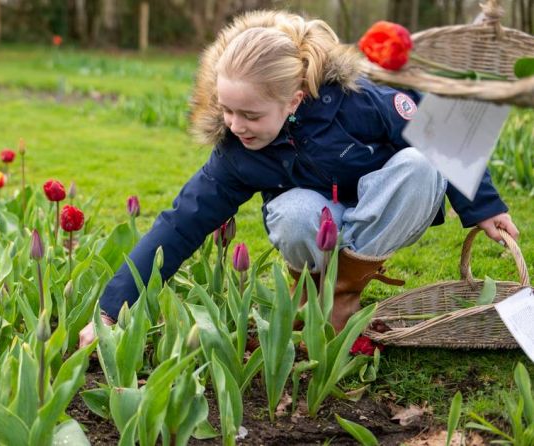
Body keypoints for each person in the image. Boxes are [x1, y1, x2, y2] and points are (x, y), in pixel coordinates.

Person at [78, 10, 519, 348]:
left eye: (250, 114)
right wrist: (111, 313)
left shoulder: (356, 102)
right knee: (292, 211)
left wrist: (484, 207)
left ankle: (340, 296)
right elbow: (179, 223)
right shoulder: (236, 153)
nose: (235, 125)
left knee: (421, 167)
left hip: (384, 206)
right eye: (227, 110)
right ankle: (316, 293)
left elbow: (440, 131)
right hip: (315, 223)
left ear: (295, 99)